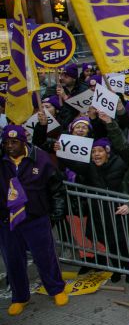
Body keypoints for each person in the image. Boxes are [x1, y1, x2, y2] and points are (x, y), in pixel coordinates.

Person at [0, 125, 68, 315]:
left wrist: (55, 214)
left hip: (36, 218)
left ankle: (56, 289)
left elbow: (56, 188)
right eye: (6, 142)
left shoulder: (41, 159)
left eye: (14, 142)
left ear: (24, 142)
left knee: (45, 256)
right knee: (13, 259)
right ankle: (20, 297)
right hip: (7, 221)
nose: (10, 146)